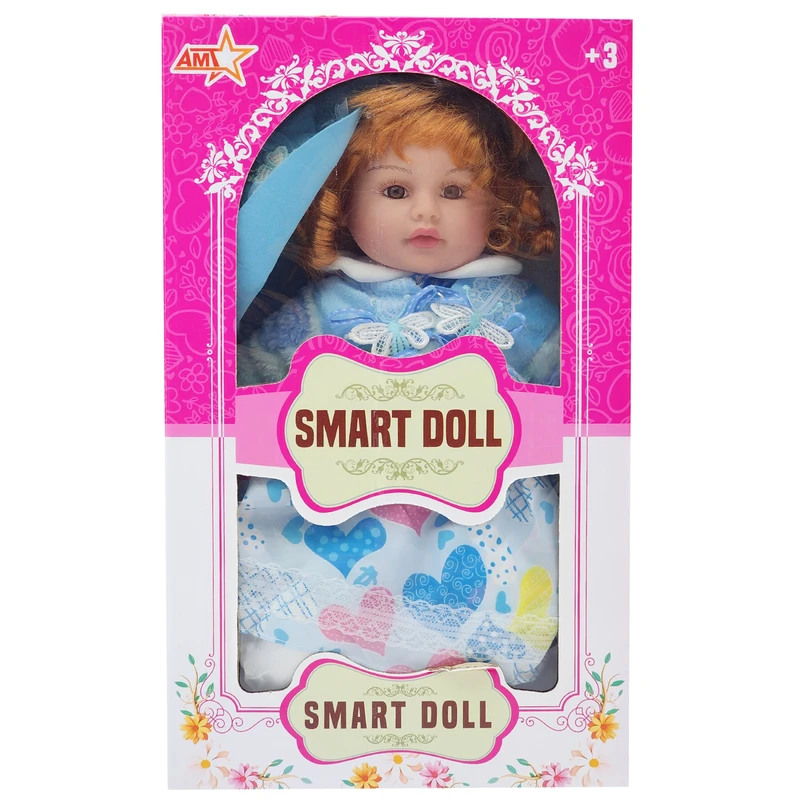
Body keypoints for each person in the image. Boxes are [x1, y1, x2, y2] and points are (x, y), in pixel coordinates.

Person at [236, 80, 560, 691]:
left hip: (479, 514)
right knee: (304, 574)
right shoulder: (323, 310)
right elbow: (242, 390)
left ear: (498, 206)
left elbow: (587, 402)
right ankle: (291, 646)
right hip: (335, 503)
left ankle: (493, 663)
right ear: (343, 204)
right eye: (395, 190)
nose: (426, 212)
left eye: (454, 191)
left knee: (499, 580)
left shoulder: (516, 313)